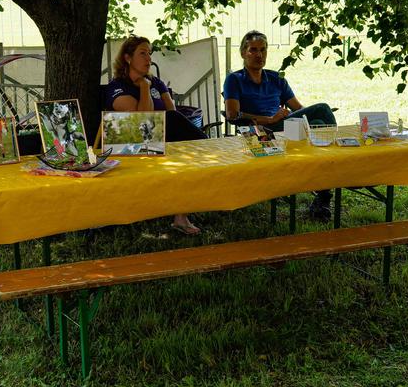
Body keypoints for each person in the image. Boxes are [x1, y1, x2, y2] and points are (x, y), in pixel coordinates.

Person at [223, 30, 336, 220]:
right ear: (243, 53)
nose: (259, 55)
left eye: (263, 50)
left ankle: (323, 194)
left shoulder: (276, 78)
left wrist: (301, 118)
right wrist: (269, 119)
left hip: (285, 129)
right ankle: (335, 168)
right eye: (253, 50)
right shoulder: (234, 79)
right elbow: (232, 114)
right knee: (322, 109)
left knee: (317, 121)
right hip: (258, 133)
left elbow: (298, 108)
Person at [104, 35, 205, 235]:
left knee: (182, 146)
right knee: (186, 141)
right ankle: (205, 146)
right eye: (142, 53)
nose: (148, 59)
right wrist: (144, 87)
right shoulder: (117, 86)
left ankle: (181, 217)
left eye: (149, 53)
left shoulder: (156, 82)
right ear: (127, 58)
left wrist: (150, 86)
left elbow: (171, 111)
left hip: (162, 140)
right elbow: (144, 119)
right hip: (130, 143)